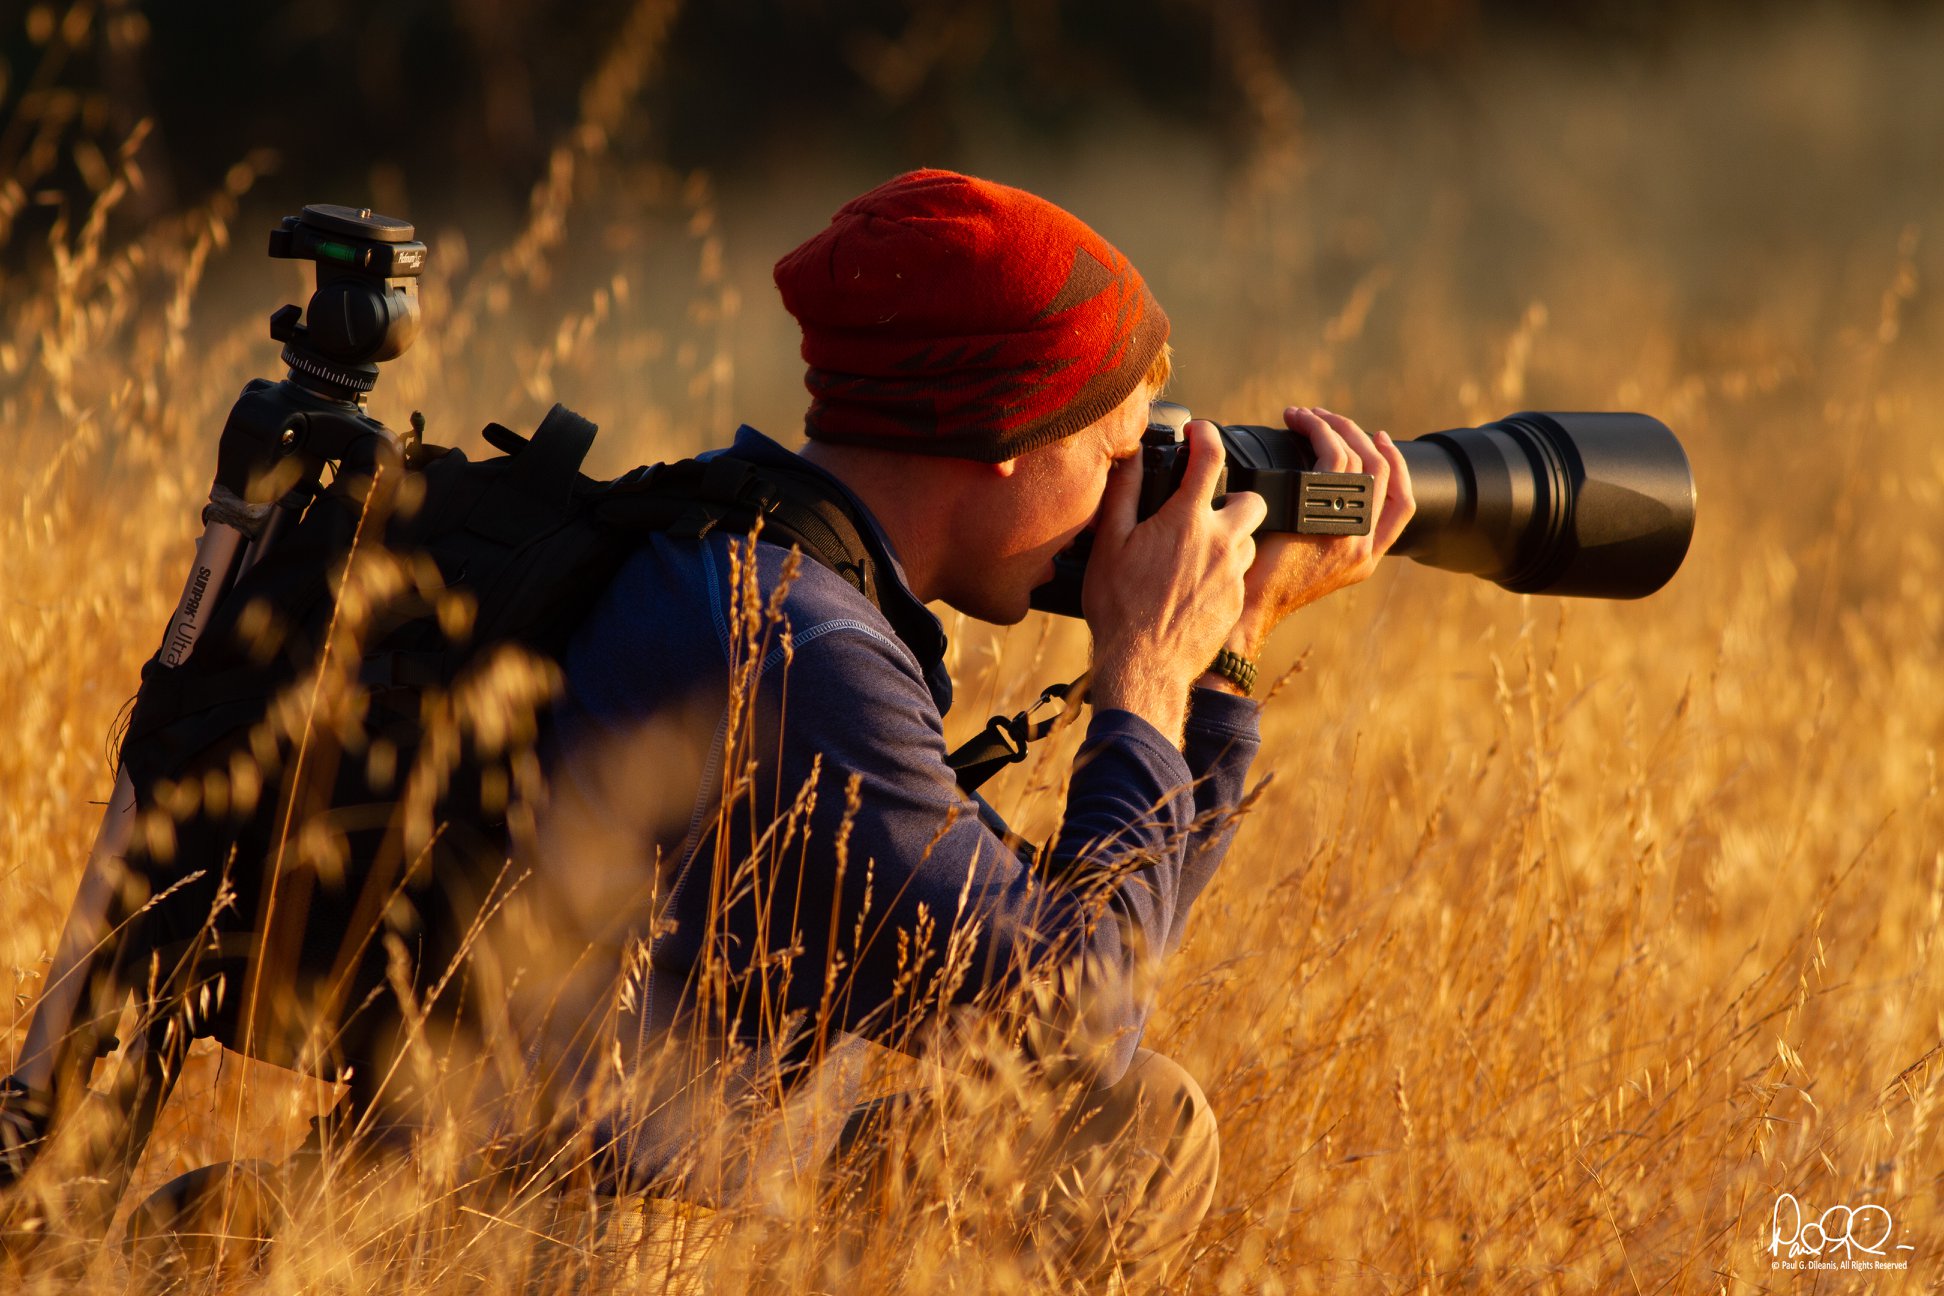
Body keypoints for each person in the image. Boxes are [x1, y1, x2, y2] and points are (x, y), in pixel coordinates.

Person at [497, 168, 1416, 1286]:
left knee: (1122, 1111)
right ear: (1007, 432)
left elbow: (1082, 949)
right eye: (1116, 456)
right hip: (554, 1227)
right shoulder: (798, 650)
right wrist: (1148, 667)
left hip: (612, 1160)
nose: (1130, 503)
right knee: (1130, 1132)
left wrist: (1219, 664)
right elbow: (1079, 1022)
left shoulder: (733, 550)